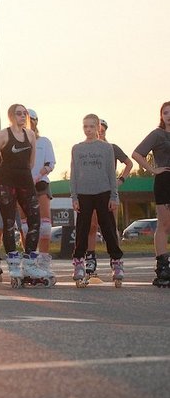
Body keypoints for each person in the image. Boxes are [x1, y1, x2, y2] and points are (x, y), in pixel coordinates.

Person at [0, 104, 54, 288]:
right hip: (6, 183)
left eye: (25, 114)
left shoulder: (30, 135)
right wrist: (0, 180)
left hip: (25, 182)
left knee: (35, 220)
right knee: (8, 223)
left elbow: (31, 163)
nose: (23, 117)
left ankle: (30, 262)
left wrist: (22, 177)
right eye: (19, 114)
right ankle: (14, 263)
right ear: (10, 116)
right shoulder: (2, 135)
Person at [69, 114, 124, 287]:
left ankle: (116, 262)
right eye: (85, 126)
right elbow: (74, 174)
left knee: (108, 228)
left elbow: (111, 173)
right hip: (84, 194)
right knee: (83, 229)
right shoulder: (77, 148)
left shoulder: (107, 148)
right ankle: (78, 262)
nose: (88, 130)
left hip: (103, 192)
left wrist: (113, 196)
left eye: (91, 127)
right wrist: (74, 197)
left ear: (98, 128)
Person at [84, 118, 134, 278]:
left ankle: (115, 260)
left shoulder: (111, 148)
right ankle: (90, 258)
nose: (100, 132)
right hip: (91, 191)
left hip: (109, 191)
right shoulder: (87, 149)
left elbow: (129, 163)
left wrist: (121, 180)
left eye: (102, 129)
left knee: (111, 228)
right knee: (92, 225)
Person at [131, 101, 170, 287]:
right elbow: (137, 154)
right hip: (164, 180)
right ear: (161, 116)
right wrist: (153, 170)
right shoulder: (157, 134)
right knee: (164, 223)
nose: (169, 115)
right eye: (165, 113)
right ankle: (163, 266)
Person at [29, 109, 56, 272]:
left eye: (31, 120)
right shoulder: (18, 141)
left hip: (41, 185)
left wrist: (39, 175)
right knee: (26, 226)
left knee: (45, 225)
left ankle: (44, 260)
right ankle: (29, 260)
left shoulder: (44, 141)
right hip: (23, 186)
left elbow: (50, 163)